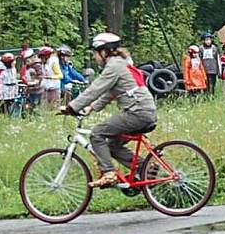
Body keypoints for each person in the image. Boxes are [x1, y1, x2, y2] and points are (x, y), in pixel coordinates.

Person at [61, 32, 157, 188]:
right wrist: (91, 107)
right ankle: (145, 167)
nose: (94, 57)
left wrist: (72, 107)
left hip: (137, 112)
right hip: (144, 111)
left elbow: (96, 89)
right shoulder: (121, 64)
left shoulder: (114, 66)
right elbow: (110, 92)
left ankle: (109, 173)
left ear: (104, 51)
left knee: (97, 133)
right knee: (112, 145)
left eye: (95, 53)